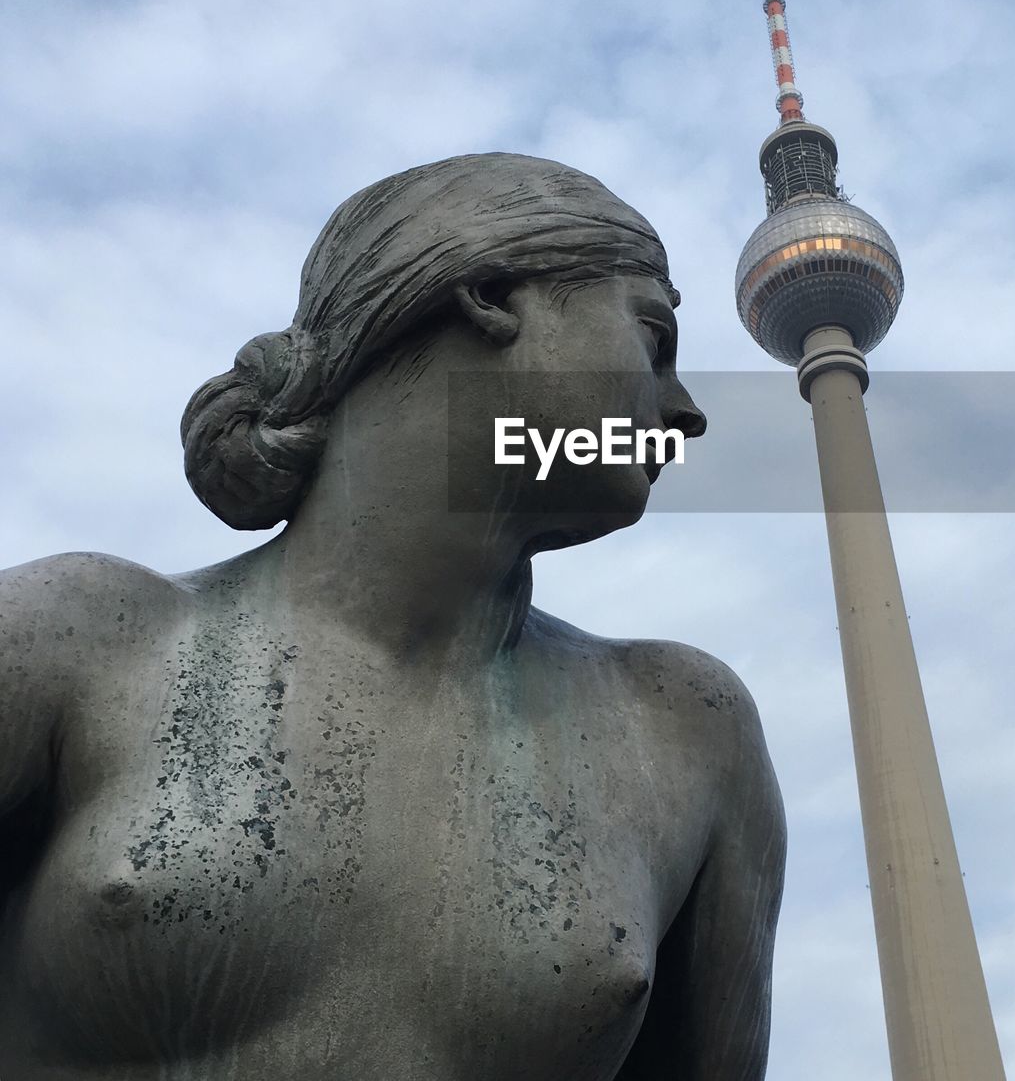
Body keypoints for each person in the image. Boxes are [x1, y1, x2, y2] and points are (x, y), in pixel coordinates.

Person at [0, 154, 786, 1080]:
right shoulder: (75, 641)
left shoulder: (687, 731)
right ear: (491, 293)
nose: (685, 413)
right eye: (653, 338)